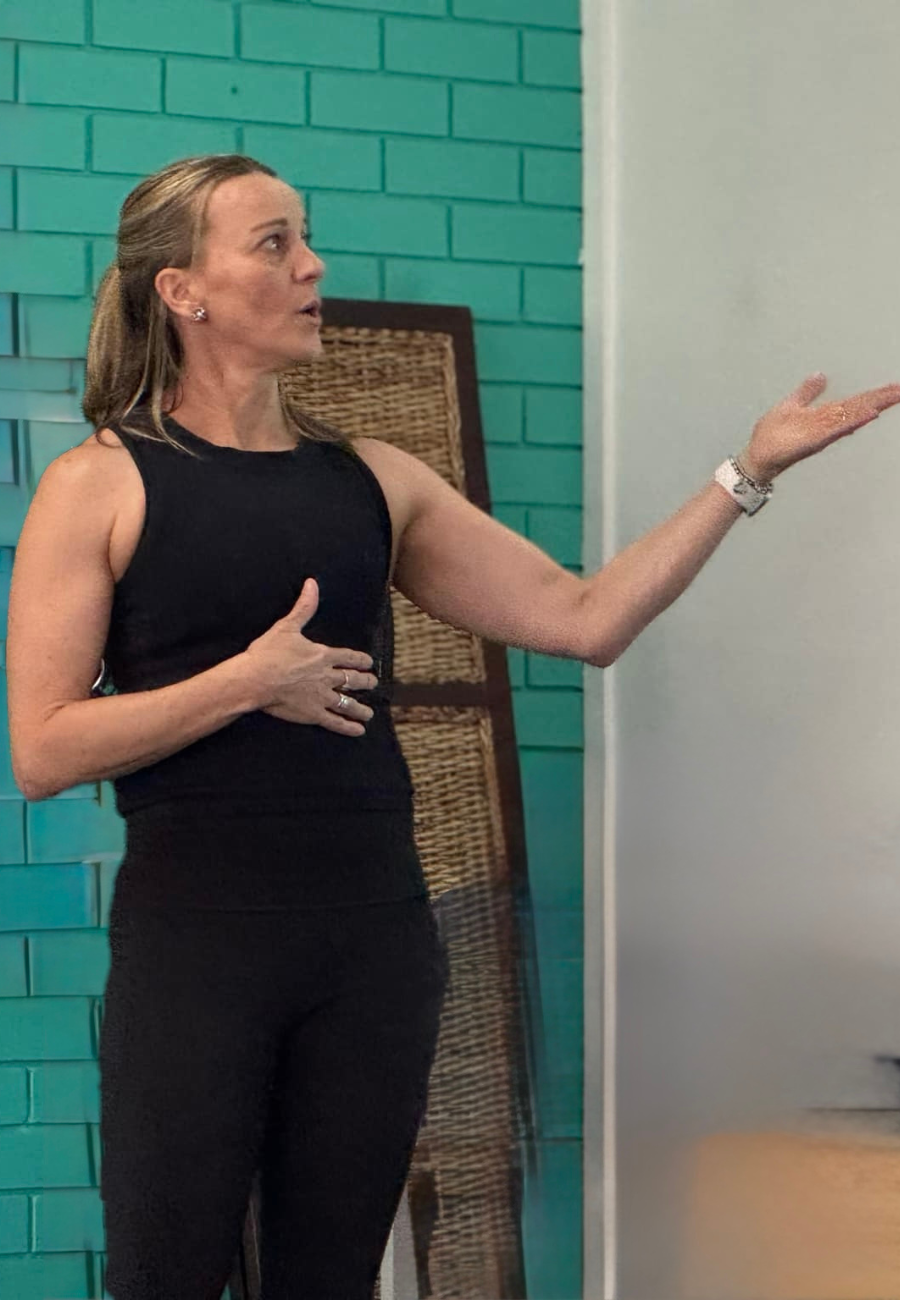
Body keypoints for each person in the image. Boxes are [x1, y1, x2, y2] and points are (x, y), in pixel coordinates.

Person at [6, 152, 900, 1300]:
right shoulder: (101, 483)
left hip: (373, 949)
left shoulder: (374, 479)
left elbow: (587, 617)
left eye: (305, 234)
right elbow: (40, 747)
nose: (311, 264)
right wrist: (243, 681)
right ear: (184, 290)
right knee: (164, 1278)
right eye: (272, 243)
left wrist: (746, 473)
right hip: (198, 954)